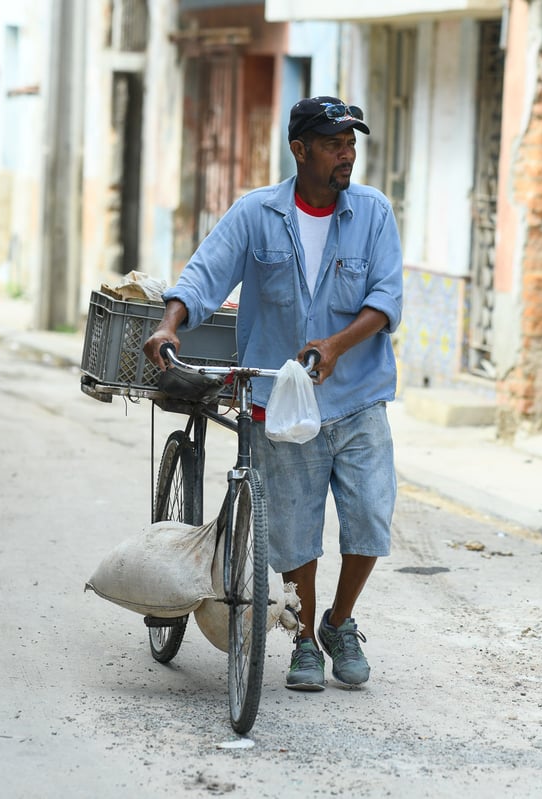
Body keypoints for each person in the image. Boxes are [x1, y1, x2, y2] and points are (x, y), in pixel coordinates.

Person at [144, 96, 402, 691]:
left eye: (352, 143)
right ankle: (306, 638)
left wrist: (336, 345)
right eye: (336, 144)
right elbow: (205, 274)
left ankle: (340, 621)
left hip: (358, 395)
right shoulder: (257, 212)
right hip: (279, 400)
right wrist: (169, 324)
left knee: (370, 517)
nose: (348, 154)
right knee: (291, 528)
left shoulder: (373, 212)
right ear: (300, 149)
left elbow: (386, 300)